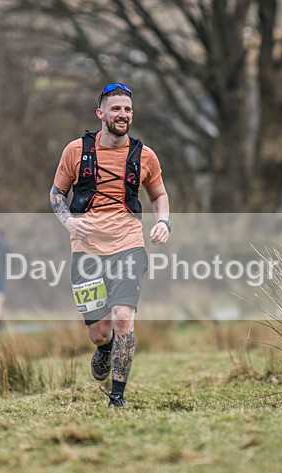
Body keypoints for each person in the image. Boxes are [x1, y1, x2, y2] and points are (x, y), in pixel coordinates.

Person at [49, 82, 170, 408]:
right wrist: (69, 221)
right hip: (85, 250)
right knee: (101, 331)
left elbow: (159, 194)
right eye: (116, 108)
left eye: (128, 109)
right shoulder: (76, 151)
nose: (123, 114)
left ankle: (117, 398)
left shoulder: (144, 156)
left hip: (129, 246)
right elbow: (56, 194)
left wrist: (163, 221)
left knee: (122, 317)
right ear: (101, 113)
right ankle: (104, 350)